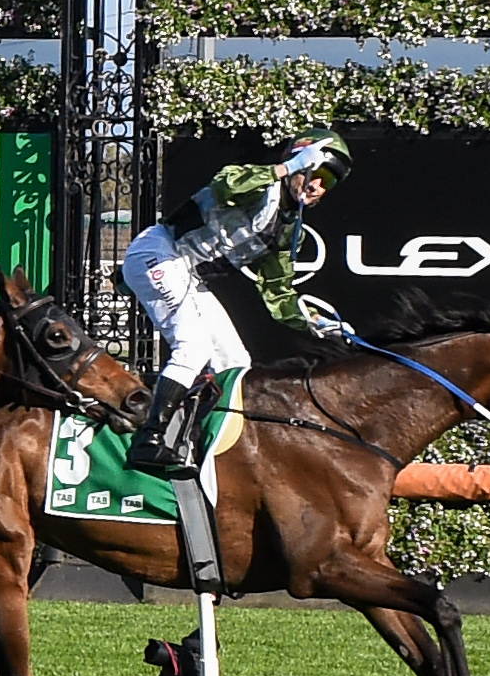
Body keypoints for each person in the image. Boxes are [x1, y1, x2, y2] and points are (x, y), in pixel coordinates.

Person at [119, 131, 350, 476]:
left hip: (188, 276)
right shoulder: (260, 183)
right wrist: (286, 169)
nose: (318, 186)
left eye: (327, 183)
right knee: (192, 347)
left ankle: (191, 439)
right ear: (302, 159)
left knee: (235, 363)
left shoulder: (287, 229)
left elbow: (279, 293)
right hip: (158, 252)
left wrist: (314, 321)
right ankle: (148, 441)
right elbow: (226, 184)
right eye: (318, 172)